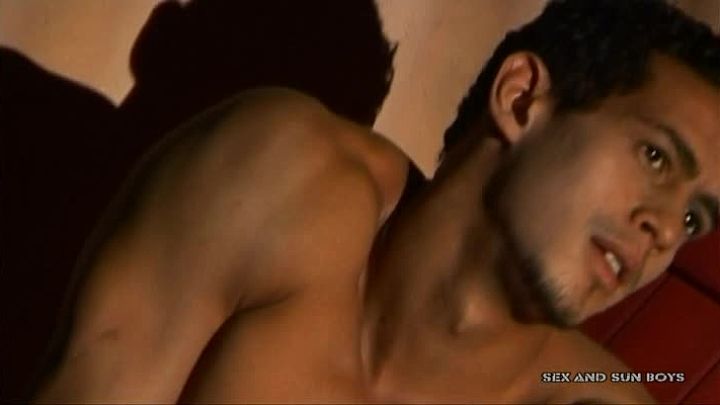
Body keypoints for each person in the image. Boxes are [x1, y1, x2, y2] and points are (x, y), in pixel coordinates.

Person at [34, 0, 719, 403]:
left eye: (694, 217)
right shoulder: (284, 180)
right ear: (522, 99)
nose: (666, 229)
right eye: (656, 158)